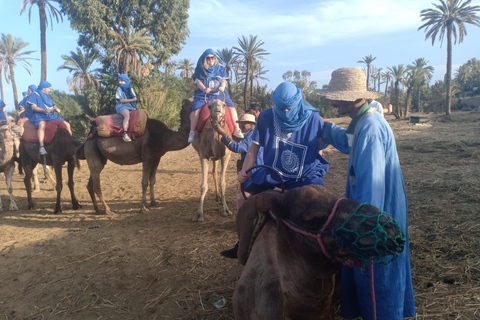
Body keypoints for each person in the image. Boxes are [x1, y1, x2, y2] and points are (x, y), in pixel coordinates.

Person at [318, 67, 415, 320]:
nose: (332, 101)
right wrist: (326, 129)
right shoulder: (364, 120)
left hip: (376, 217)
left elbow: (371, 186)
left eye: (335, 97)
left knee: (375, 280)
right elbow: (349, 142)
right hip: (381, 209)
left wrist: (361, 233)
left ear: (350, 98)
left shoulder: (370, 128)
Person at [221, 82, 330, 258]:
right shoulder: (266, 116)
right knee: (242, 199)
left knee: (321, 211)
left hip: (304, 178)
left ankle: (321, 254)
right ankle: (243, 244)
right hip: (272, 175)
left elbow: (319, 152)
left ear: (299, 101)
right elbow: (254, 147)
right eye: (281, 108)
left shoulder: (314, 119)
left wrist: (312, 174)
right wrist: (246, 170)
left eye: (289, 108)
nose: (285, 113)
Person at [188, 49, 244, 143]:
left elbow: (223, 80)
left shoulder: (221, 69)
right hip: (204, 94)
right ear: (204, 59)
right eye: (208, 58)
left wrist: (222, 87)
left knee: (231, 107)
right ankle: (192, 131)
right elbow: (198, 82)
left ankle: (236, 129)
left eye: (212, 58)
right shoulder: (200, 69)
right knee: (196, 108)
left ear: (215, 58)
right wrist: (204, 89)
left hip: (219, 94)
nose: (210, 60)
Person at [213, 113, 264, 209]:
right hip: (255, 169)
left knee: (248, 195)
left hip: (253, 171)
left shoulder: (253, 135)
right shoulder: (252, 134)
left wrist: (223, 134)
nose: (241, 126)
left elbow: (238, 147)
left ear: (251, 124)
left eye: (244, 123)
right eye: (241, 123)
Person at [27, 81, 70, 155]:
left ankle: (70, 144)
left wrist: (56, 108)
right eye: (49, 88)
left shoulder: (47, 96)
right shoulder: (34, 94)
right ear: (43, 88)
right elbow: (33, 107)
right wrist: (45, 110)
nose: (50, 90)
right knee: (42, 125)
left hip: (50, 115)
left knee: (67, 124)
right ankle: (42, 147)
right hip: (39, 115)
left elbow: (53, 104)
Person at [115, 74, 138, 142]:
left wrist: (137, 100)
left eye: (122, 81)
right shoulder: (119, 89)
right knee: (127, 115)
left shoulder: (131, 89)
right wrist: (132, 100)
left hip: (131, 106)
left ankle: (134, 132)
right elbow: (121, 100)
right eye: (119, 80)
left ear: (126, 81)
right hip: (122, 106)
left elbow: (134, 98)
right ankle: (125, 134)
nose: (120, 82)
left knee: (137, 115)